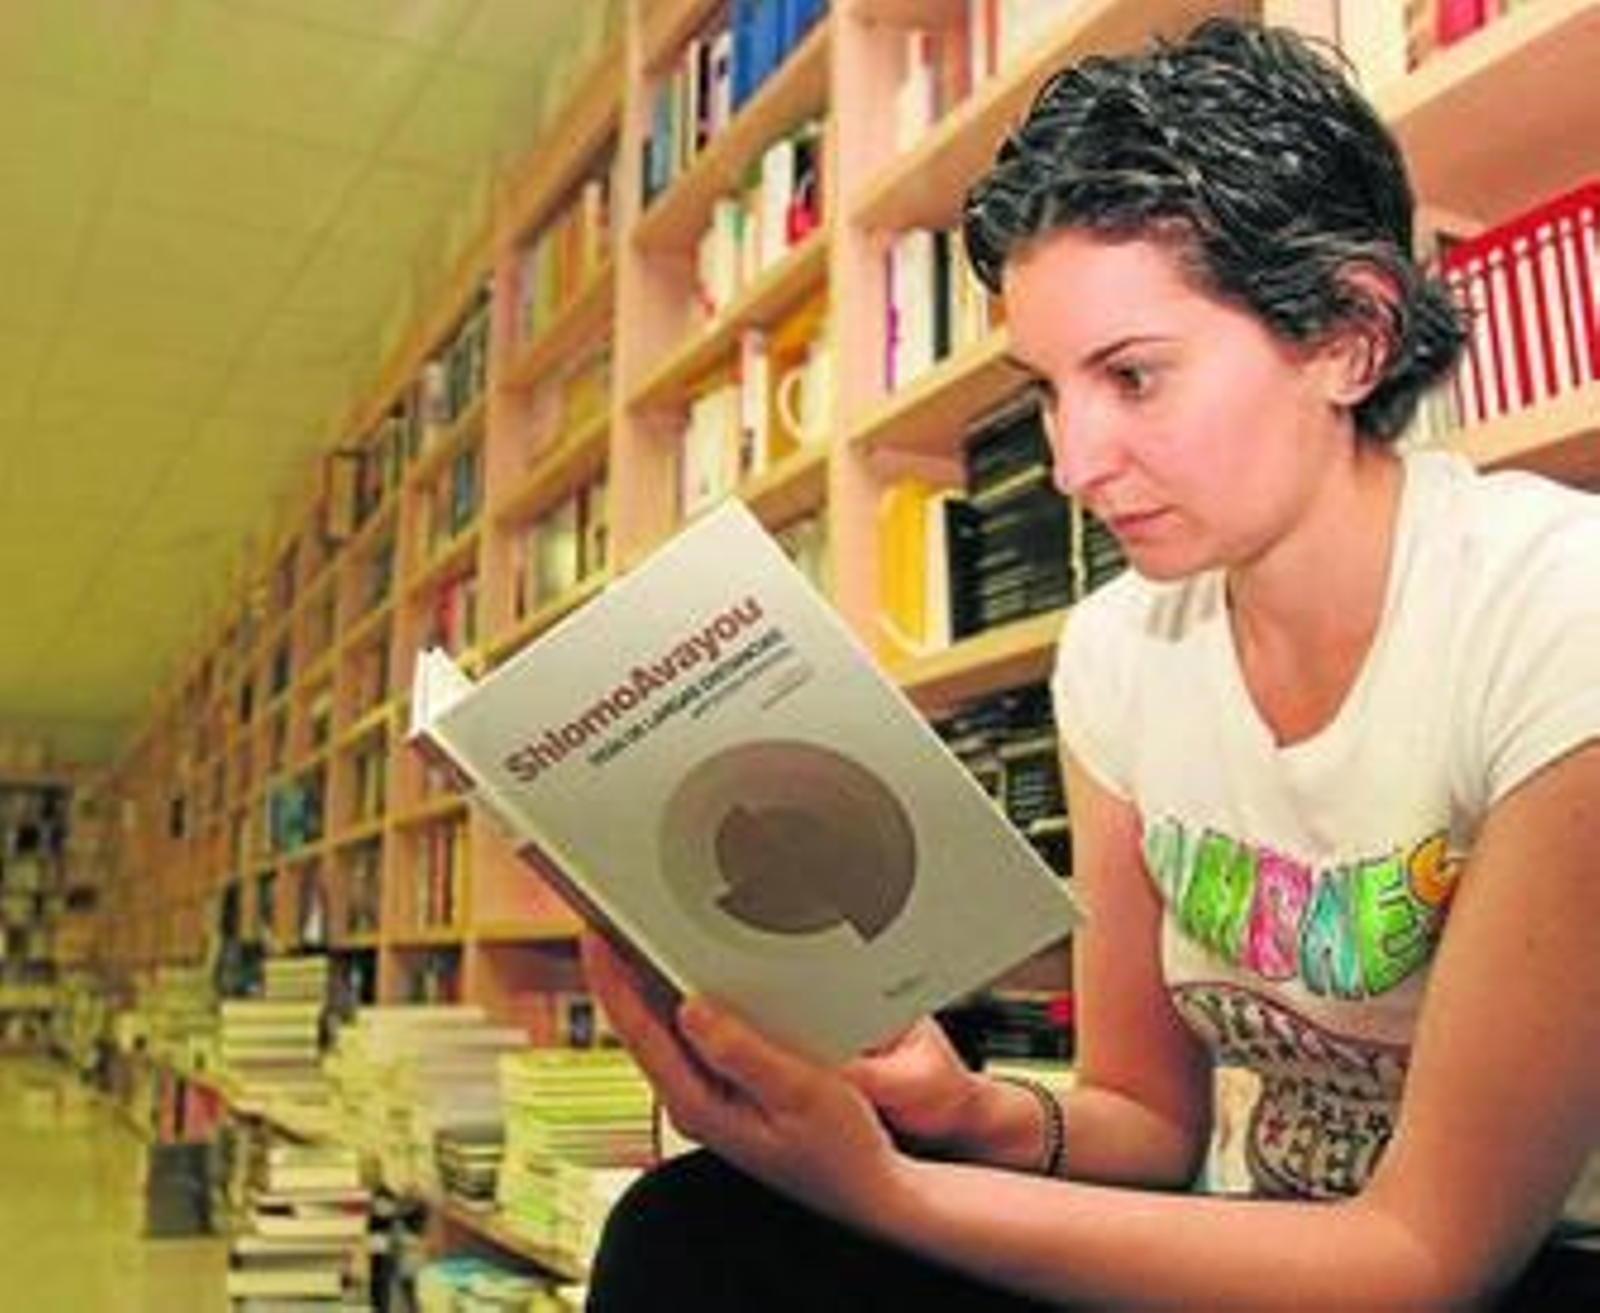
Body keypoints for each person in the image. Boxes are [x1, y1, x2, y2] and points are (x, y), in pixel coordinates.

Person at [582, 16, 1600, 1308]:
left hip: (1523, 1268)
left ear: (1349, 334)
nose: (1071, 465)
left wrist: (893, 1188)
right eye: (1052, 392)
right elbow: (1145, 1122)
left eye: (1133, 376)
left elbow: (1425, 1257)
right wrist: (962, 1110)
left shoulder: (1564, 609)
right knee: (696, 1227)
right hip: (1251, 1232)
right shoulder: (1118, 651)